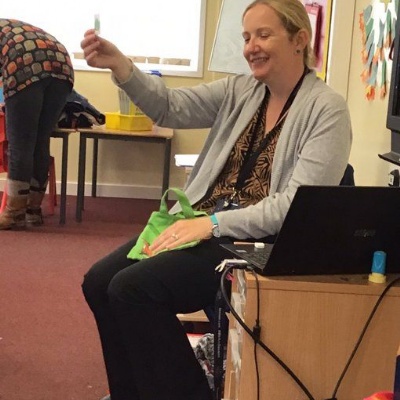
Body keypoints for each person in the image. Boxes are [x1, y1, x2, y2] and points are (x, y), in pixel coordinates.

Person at [80, 0, 352, 399]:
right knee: (99, 282)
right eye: (246, 37)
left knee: (133, 289)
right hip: (202, 223)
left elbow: (294, 207)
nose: (251, 47)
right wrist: (121, 66)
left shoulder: (327, 110)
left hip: (252, 241)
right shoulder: (241, 90)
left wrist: (211, 225)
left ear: (299, 39)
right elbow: (170, 107)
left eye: (263, 35)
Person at [0, 19, 74, 230]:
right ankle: (33, 211)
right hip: (62, 65)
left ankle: (14, 213)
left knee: (21, 145)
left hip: (24, 65)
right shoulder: (10, 26)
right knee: (40, 141)